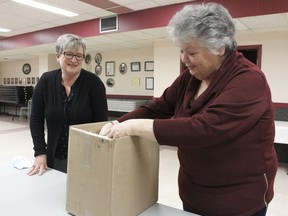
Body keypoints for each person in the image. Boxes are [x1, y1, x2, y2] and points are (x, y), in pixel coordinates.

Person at [99, 3, 278, 216]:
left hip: (238, 200)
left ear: (220, 48)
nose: (184, 60)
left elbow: (203, 129)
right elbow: (157, 108)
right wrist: (117, 123)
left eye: (191, 52)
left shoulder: (249, 80)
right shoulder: (190, 78)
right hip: (194, 192)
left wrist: (134, 127)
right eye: (182, 51)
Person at [28, 34, 108, 176]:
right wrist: (40, 152)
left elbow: (101, 124)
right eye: (69, 54)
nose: (74, 60)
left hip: (86, 157)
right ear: (57, 56)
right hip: (54, 156)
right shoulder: (46, 81)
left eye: (79, 55)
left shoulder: (94, 84)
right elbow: (35, 120)